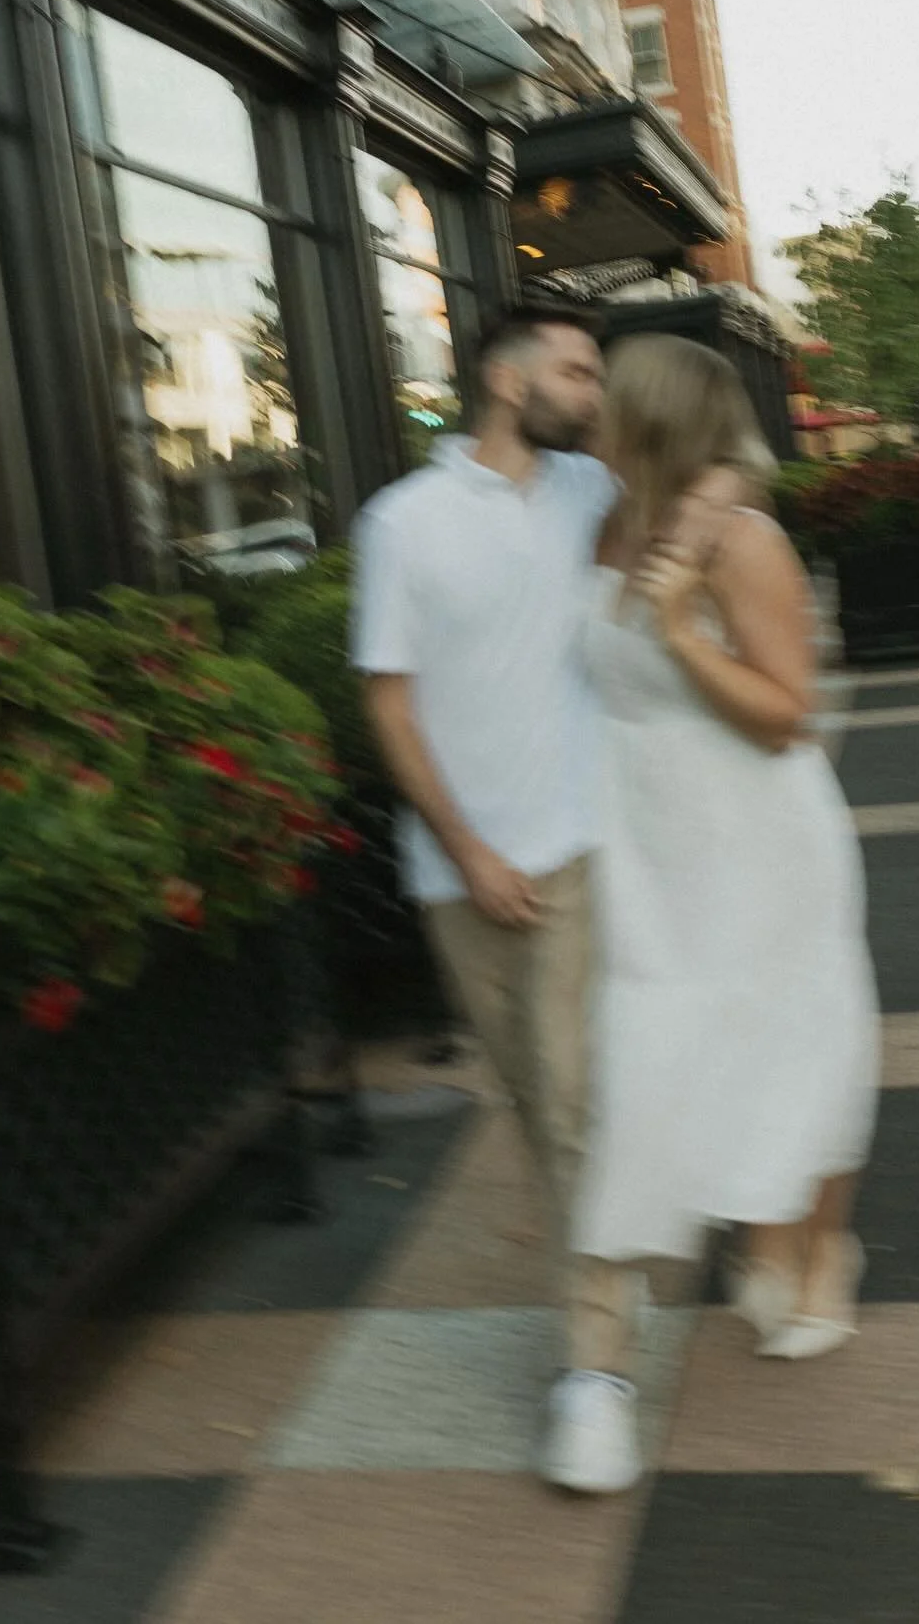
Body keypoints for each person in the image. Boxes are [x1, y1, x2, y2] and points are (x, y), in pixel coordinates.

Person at [351, 306, 646, 1496]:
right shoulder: (401, 523)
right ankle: (616, 1255)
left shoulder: (594, 491)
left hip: (581, 844)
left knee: (571, 1100)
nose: (589, 385)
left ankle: (596, 1376)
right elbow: (389, 703)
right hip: (463, 872)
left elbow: (706, 482)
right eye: (574, 366)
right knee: (537, 1100)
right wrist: (467, 848)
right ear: (501, 372)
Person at [574, 333, 879, 1374]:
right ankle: (760, 1230)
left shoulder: (740, 540)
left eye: (607, 399)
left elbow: (788, 713)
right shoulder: (608, 520)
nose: (590, 415)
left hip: (756, 833)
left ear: (647, 416)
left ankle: (822, 1245)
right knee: (683, 1040)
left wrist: (684, 634)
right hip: (651, 843)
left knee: (800, 1038)